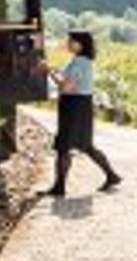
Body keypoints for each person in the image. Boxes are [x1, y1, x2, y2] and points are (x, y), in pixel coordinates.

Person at [44, 30, 121, 197]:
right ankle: (111, 175)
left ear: (81, 44)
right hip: (81, 105)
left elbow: (67, 87)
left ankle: (59, 187)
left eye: (71, 41)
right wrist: (55, 71)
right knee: (86, 145)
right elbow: (69, 80)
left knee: (64, 147)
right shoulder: (83, 61)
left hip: (74, 106)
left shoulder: (79, 63)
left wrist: (49, 73)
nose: (68, 44)